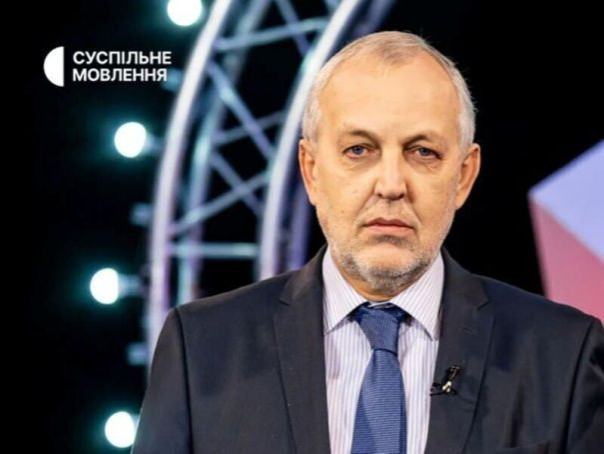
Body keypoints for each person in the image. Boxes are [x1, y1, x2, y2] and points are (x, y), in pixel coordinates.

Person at [131, 31, 603, 454]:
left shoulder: (563, 354)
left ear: (463, 176)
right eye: (359, 150)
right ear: (311, 171)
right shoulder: (201, 348)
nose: (391, 185)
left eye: (422, 151)